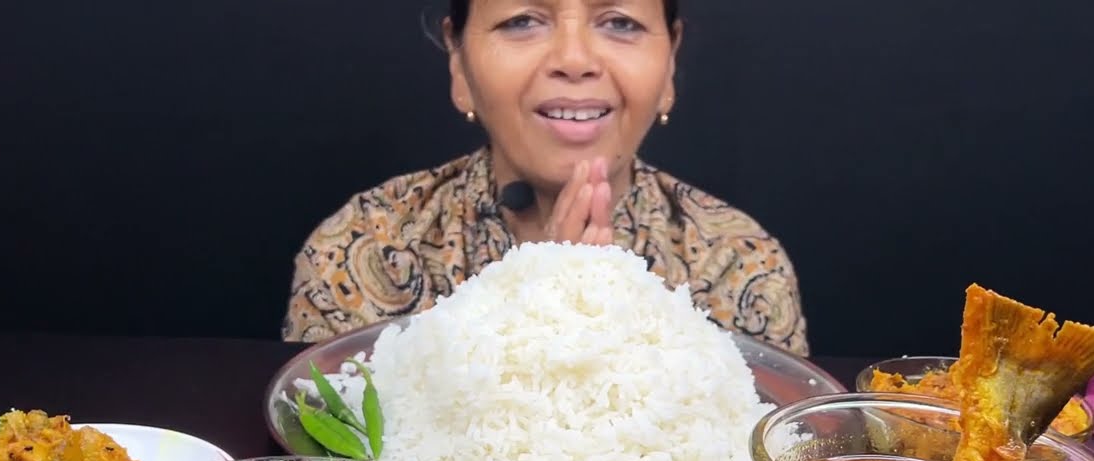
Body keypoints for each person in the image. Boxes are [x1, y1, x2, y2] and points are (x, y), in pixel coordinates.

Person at [283, 0, 809, 355]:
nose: (574, 59)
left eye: (620, 22)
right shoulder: (363, 249)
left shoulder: (739, 265)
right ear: (459, 64)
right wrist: (537, 305)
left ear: (669, 64)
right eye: (522, 20)